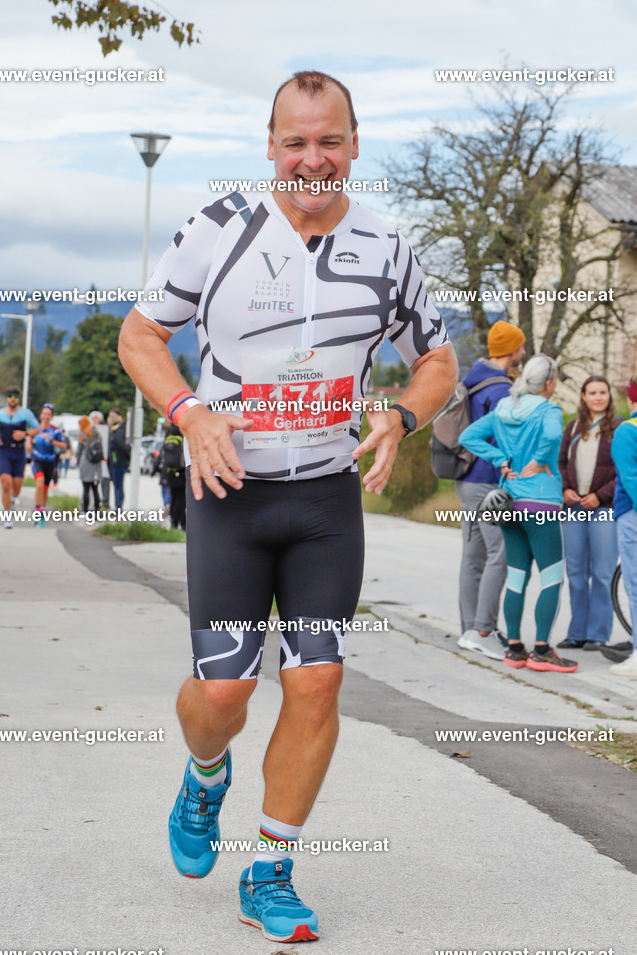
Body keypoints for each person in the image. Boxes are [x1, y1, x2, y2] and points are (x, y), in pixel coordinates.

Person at [118, 70, 458, 943]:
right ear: (270, 146)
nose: (313, 158)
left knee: (318, 679)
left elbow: (438, 362)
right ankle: (203, 775)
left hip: (323, 501)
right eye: (296, 141)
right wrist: (189, 412)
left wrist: (401, 413)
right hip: (230, 493)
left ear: (354, 145)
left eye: (330, 140)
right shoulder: (218, 231)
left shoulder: (389, 247)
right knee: (223, 696)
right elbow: (140, 334)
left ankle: (271, 870)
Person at [459, 355, 578, 673]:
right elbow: (553, 436)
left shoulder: (504, 408)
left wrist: (500, 459)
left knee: (517, 577)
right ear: (550, 382)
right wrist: (540, 461)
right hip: (541, 504)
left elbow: (468, 437)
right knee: (551, 577)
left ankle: (513, 648)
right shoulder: (548, 409)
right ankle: (541, 650)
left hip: (509, 503)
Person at [456, 320, 526, 659]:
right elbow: (501, 437)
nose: (523, 352)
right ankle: (483, 629)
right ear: (511, 350)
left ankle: (469, 628)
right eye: (520, 347)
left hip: (466, 480)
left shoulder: (472, 379)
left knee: (473, 555)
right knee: (500, 553)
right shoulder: (499, 389)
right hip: (486, 482)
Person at [557, 377, 621, 650]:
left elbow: (624, 471)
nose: (598, 397)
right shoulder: (572, 427)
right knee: (576, 572)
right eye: (592, 392)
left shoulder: (619, 428)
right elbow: (559, 463)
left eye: (602, 392)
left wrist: (600, 495)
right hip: (573, 508)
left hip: (603, 509)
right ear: (583, 396)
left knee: (603, 573)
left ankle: (597, 634)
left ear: (609, 396)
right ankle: (577, 632)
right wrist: (565, 489)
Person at [608, 375, 637, 679]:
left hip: (632, 515)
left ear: (631, 399)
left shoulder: (627, 430)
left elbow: (631, 480)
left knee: (635, 587)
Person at [0, 387, 39, 530]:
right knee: (5, 484)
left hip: (19, 452)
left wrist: (26, 434)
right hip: (4, 451)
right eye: (10, 396)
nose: (12, 398)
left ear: (18, 398)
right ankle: (8, 516)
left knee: (16, 488)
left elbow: (37, 428)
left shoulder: (26, 413)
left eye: (15, 396)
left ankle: (12, 500)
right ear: (7, 398)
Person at [30, 403, 67, 526]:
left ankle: (42, 513)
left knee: (45, 488)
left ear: (51, 416)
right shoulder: (35, 429)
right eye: (44, 414)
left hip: (50, 461)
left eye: (48, 414)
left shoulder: (55, 430)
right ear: (41, 415)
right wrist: (28, 444)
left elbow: (64, 446)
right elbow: (29, 441)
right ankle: (37, 510)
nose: (46, 416)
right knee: (39, 484)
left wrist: (51, 440)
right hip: (38, 460)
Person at [154, 423, 186, 529]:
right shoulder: (183, 431)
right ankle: (182, 523)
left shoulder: (169, 433)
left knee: (173, 498)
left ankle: (173, 523)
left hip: (170, 471)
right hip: (181, 471)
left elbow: (162, 453)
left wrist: (155, 468)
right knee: (181, 499)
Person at [76, 416, 102, 513]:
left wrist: (78, 463)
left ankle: (85, 509)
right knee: (95, 488)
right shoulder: (96, 432)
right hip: (96, 463)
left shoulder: (83, 434)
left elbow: (79, 450)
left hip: (86, 462)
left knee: (86, 488)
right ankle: (97, 509)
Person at [107, 408, 130, 511]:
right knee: (117, 485)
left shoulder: (119, 430)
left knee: (118, 485)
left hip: (119, 462)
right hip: (117, 462)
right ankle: (117, 505)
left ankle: (118, 507)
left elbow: (121, 446)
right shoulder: (117, 429)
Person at [90, 410, 110, 507]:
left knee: (104, 481)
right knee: (92, 482)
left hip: (102, 459)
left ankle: (105, 501)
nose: (94, 421)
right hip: (92, 459)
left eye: (96, 419)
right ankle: (94, 502)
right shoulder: (90, 429)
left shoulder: (104, 428)